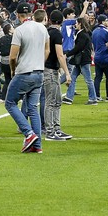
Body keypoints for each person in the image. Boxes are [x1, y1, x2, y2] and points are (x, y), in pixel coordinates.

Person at [6, 5, 50, 154]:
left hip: (24, 72)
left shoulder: (19, 30)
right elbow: (47, 50)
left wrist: (13, 69)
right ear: (31, 13)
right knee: (32, 108)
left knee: (10, 103)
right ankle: (37, 145)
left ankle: (29, 133)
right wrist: (39, 62)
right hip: (39, 73)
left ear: (18, 15)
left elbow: (12, 56)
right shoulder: (42, 28)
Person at [43, 10, 73, 141]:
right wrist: (67, 72)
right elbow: (60, 55)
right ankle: (51, 131)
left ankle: (56, 129)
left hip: (48, 69)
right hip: (50, 71)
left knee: (57, 101)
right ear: (61, 21)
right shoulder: (56, 34)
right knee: (52, 101)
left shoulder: (46, 32)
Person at [64, 16, 98, 105]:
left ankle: (93, 98)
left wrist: (67, 54)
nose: (75, 25)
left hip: (82, 60)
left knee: (88, 80)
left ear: (80, 24)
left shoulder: (82, 34)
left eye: (77, 23)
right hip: (81, 59)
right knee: (73, 78)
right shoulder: (83, 33)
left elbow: (78, 47)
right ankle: (69, 97)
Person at [91, 14, 108, 103]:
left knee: (98, 77)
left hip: (97, 57)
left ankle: (97, 95)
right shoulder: (106, 31)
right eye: (106, 20)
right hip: (106, 56)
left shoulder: (94, 31)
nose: (107, 22)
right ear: (102, 21)